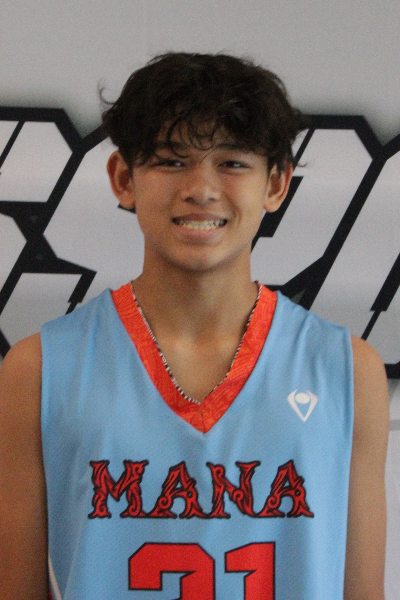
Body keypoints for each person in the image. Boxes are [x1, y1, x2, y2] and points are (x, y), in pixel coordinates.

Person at [0, 52, 389, 600]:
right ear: (123, 178)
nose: (201, 188)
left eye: (232, 162)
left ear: (277, 183)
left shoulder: (347, 370)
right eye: (171, 160)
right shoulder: (39, 369)